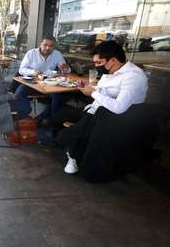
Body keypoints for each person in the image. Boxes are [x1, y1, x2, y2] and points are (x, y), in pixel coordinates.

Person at [57, 41, 154, 182]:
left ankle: (73, 155)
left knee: (70, 132)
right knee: (61, 116)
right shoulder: (110, 71)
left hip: (117, 119)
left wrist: (93, 94)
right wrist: (90, 90)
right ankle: (72, 151)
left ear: (113, 60)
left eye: (99, 62)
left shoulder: (133, 76)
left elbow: (118, 107)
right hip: (96, 110)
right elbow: (102, 92)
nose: (97, 66)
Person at [17, 35, 70, 120]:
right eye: (45, 45)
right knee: (20, 92)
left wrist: (65, 69)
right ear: (40, 44)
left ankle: (50, 122)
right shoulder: (31, 53)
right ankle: (23, 117)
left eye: (51, 46)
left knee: (59, 97)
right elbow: (21, 70)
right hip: (33, 83)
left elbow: (66, 70)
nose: (48, 48)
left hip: (50, 85)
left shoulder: (57, 54)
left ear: (54, 46)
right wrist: (33, 72)